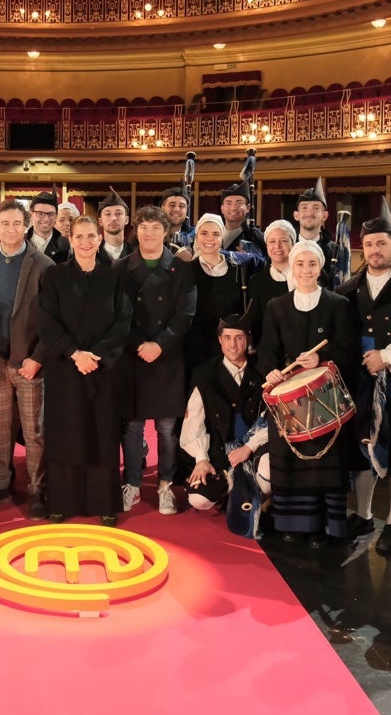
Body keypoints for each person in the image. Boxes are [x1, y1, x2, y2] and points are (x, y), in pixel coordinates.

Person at [335, 199, 391, 555]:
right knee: (360, 452)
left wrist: (387, 358)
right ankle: (361, 515)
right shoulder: (346, 290)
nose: (375, 250)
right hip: (358, 385)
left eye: (382, 243)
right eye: (369, 244)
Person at [258, 239, 357, 547]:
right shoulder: (276, 306)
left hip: (325, 396)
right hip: (288, 401)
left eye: (311, 264)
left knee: (322, 465)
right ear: (291, 266)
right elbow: (266, 350)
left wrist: (322, 360)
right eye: (299, 264)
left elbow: (348, 349)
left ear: (320, 268)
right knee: (290, 465)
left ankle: (322, 528)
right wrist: (271, 371)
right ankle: (292, 524)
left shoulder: (338, 304)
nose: (305, 270)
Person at [38, 215, 132, 525]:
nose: (86, 242)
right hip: (65, 369)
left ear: (101, 237)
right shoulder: (54, 276)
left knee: (101, 434)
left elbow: (123, 322)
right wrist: (75, 353)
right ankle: (62, 503)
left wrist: (98, 355)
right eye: (79, 237)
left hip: (102, 371)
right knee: (65, 434)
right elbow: (47, 320)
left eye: (91, 236)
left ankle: (104, 503)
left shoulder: (114, 277)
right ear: (71, 239)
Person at [0, 198, 52, 519]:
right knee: (0, 427)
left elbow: (53, 320)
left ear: (26, 225)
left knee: (34, 431)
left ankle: (37, 489)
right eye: (4, 224)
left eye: (16, 223)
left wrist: (38, 357)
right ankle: (1, 481)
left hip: (28, 363)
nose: (10, 229)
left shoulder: (43, 265)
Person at [116, 206, 196, 515]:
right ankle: (132, 483)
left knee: (166, 429)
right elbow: (119, 314)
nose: (149, 233)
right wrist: (141, 344)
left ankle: (165, 484)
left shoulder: (180, 268)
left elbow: (185, 314)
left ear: (166, 232)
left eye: (155, 228)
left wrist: (159, 345)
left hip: (167, 357)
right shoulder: (121, 268)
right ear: (136, 231)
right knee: (133, 427)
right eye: (144, 227)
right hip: (133, 356)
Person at [180, 310, 270, 535]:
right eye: (227, 338)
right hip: (221, 453)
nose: (233, 344)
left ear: (247, 339)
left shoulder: (263, 371)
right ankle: (230, 491)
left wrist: (249, 448)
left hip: (255, 450)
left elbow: (272, 418)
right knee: (198, 498)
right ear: (219, 340)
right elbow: (195, 420)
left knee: (269, 474)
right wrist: (201, 459)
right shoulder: (203, 374)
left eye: (239, 337)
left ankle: (262, 497)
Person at [183, 213, 245, 372]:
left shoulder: (238, 271)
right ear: (196, 237)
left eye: (216, 234)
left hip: (230, 350)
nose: (209, 238)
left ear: (222, 238)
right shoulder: (187, 271)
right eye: (204, 233)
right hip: (195, 349)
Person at [247, 219, 297, 347]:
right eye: (272, 241)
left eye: (283, 241)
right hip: (269, 351)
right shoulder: (256, 282)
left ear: (293, 243)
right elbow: (256, 323)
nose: (277, 246)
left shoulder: (307, 276)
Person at [293, 178, 337, 287]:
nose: (309, 212)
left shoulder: (335, 251)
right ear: (296, 215)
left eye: (316, 208)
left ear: (325, 215)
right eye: (304, 208)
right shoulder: (286, 247)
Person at [220, 179, 266, 255]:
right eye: (228, 203)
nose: (233, 207)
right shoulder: (213, 234)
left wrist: (251, 259)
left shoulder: (256, 237)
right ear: (222, 208)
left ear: (248, 208)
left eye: (239, 203)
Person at [26, 190, 70, 263]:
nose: (46, 219)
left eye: (51, 214)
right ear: (31, 214)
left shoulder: (64, 245)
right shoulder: (21, 241)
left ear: (56, 216)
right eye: (40, 213)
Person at [97, 188, 134, 264]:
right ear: (100, 221)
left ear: (127, 220)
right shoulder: (93, 254)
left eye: (118, 213)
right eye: (108, 214)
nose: (114, 218)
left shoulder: (136, 254)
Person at [159, 186, 194, 250]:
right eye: (172, 205)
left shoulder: (194, 237)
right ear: (162, 208)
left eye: (181, 206)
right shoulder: (152, 234)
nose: (177, 209)